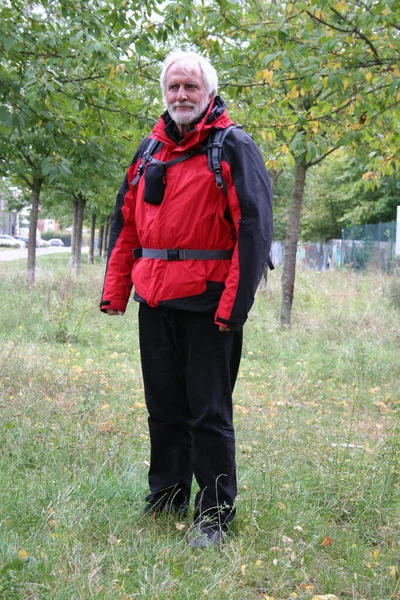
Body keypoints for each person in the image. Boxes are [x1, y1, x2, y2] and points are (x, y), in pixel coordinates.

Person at [100, 50, 273, 548]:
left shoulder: (232, 146)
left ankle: (214, 515)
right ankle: (166, 498)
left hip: (208, 303)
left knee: (209, 412)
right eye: (173, 87)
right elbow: (126, 224)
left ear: (209, 93)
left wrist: (233, 308)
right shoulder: (148, 150)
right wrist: (116, 293)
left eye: (190, 87)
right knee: (163, 408)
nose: (180, 95)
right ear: (164, 93)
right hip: (154, 303)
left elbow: (254, 231)